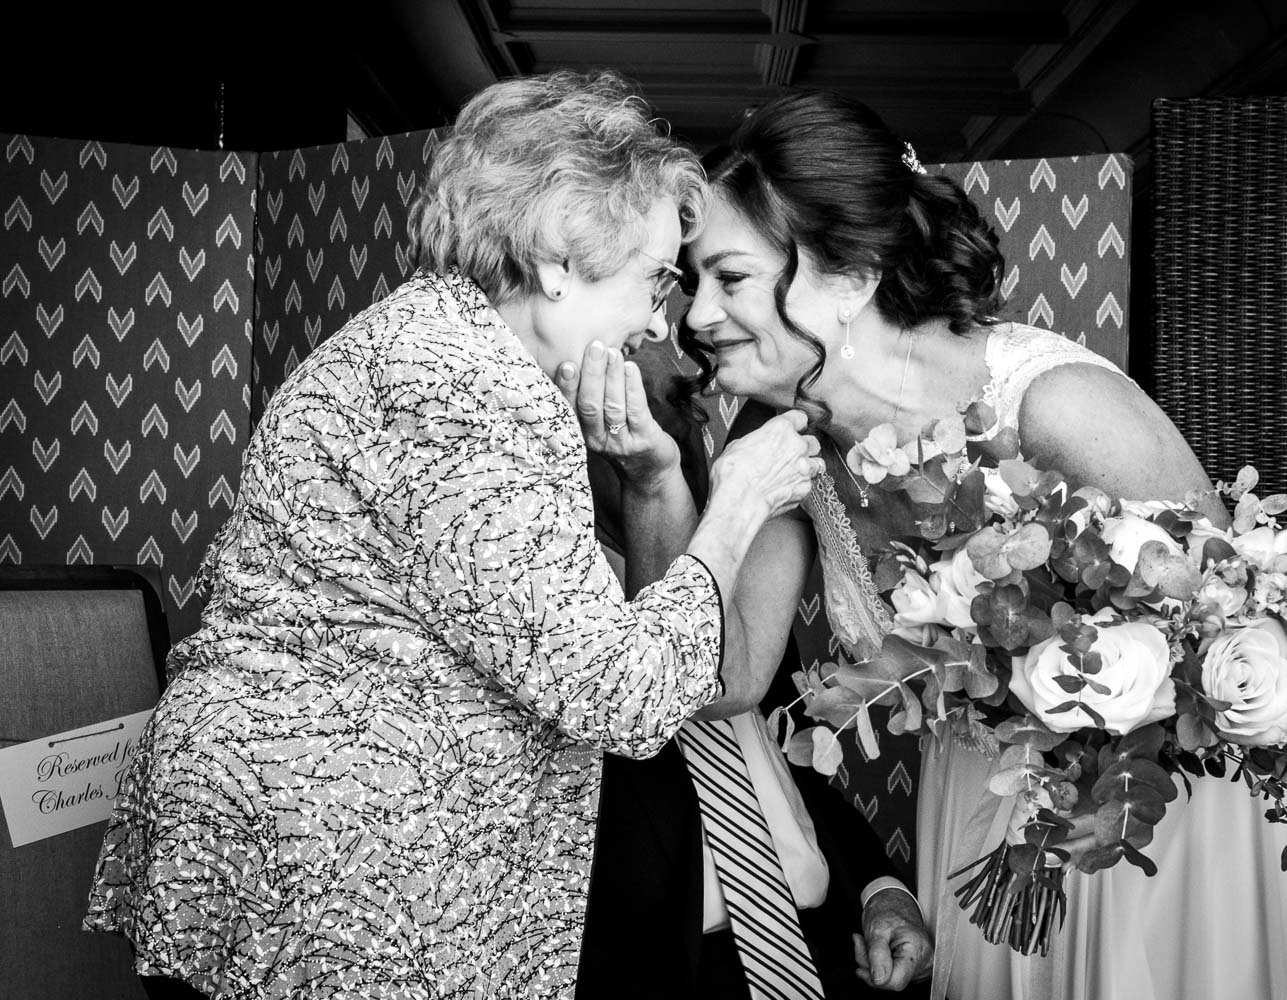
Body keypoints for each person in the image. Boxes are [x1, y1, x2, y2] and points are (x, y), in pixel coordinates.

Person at [615, 88, 1287, 999]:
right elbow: (712, 683)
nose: (694, 318)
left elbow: (1237, 627)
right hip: (991, 815)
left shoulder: (1055, 408)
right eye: (692, 283)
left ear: (852, 274)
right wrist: (657, 480)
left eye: (729, 277)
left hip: (1170, 819)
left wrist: (1099, 776)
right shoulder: (776, 446)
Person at [81, 70, 823, 1000]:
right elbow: (617, 697)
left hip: (330, 851)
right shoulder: (470, 391)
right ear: (558, 257)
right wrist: (737, 509)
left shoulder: (442, 348)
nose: (658, 320)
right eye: (651, 279)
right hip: (334, 865)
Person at [565, 347, 932, 998]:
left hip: (830, 944)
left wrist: (883, 890)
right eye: (628, 409)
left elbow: (790, 769)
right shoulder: (557, 617)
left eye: (678, 403)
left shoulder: (730, 584)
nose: (670, 428)